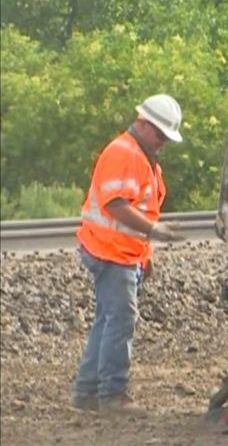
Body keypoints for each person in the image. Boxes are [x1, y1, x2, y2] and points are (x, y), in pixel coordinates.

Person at [71, 94, 185, 414]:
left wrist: (144, 257)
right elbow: (116, 205)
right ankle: (112, 395)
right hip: (110, 252)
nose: (162, 142)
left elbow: (138, 208)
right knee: (120, 320)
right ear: (143, 124)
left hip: (121, 253)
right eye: (160, 135)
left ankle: (87, 392)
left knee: (108, 320)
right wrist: (154, 232)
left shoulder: (142, 156)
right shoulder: (124, 153)